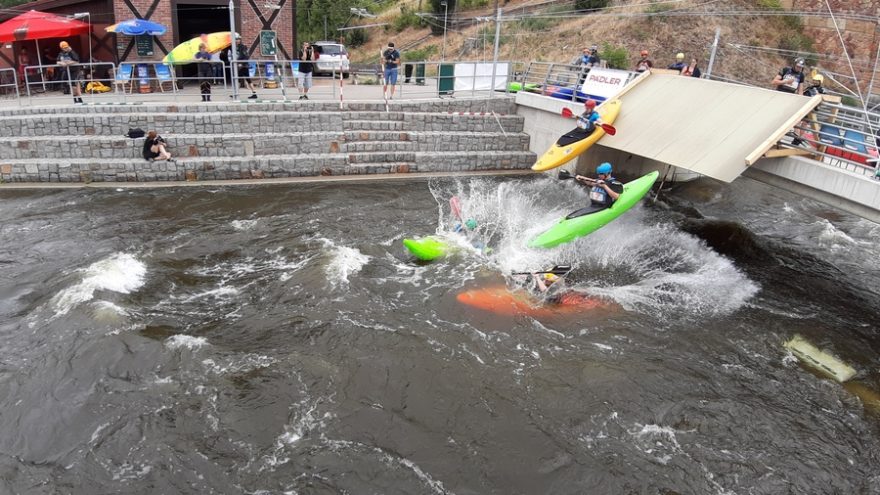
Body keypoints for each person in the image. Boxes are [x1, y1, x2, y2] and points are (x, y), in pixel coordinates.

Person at [224, 34, 258, 99]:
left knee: (242, 80)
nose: (237, 41)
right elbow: (230, 55)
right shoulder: (233, 47)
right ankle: (253, 93)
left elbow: (246, 56)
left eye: (238, 39)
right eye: (236, 39)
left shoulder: (243, 47)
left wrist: (241, 63)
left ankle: (236, 94)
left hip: (243, 66)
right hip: (238, 66)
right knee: (242, 80)